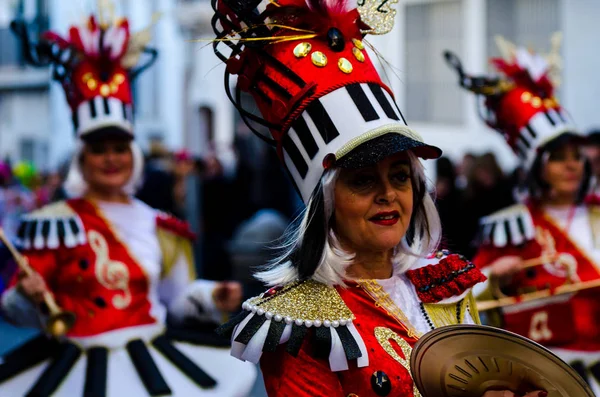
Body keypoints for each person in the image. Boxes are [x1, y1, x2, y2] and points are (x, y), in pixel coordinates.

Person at [211, 0, 546, 395]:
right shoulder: (301, 327)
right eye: (363, 181)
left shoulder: (444, 284)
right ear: (327, 203)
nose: (388, 194)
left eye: (400, 176)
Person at [0, 11, 256, 396]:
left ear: (133, 155)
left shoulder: (161, 225)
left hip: (152, 360)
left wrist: (210, 296)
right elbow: (18, 308)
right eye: (98, 149)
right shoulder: (50, 224)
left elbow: (175, 299)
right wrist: (27, 295)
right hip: (76, 366)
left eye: (119, 148)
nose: (110, 159)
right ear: (81, 159)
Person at [448, 38, 600, 394]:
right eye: (559, 157)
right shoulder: (510, 228)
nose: (571, 166)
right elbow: (472, 302)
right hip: (551, 380)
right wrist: (492, 279)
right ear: (536, 167)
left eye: (576, 156)